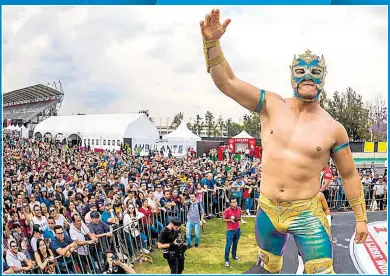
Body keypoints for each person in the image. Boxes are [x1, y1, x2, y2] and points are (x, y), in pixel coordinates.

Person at [199, 9, 368, 274]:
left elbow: (349, 175)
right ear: (292, 74)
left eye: (315, 72)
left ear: (323, 76)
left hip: (306, 213)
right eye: (301, 70)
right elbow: (228, 83)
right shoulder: (271, 105)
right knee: (268, 269)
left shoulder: (334, 129)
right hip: (267, 209)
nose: (308, 76)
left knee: (323, 271)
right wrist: (212, 43)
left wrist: (361, 219)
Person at [297, 192, 332, 274]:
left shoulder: (319, 195)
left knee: (322, 251)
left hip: (320, 226)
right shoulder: (298, 195)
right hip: (304, 227)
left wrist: (329, 226)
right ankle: (301, 267)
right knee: (302, 249)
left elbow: (326, 209)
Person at [223, 197, 242, 267]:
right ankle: (226, 260)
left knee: (235, 244)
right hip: (230, 230)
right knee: (228, 245)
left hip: (237, 229)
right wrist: (230, 220)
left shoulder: (239, 209)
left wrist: (241, 221)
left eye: (235, 201)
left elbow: (239, 217)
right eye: (233, 202)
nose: (235, 203)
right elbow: (224, 219)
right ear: (230, 203)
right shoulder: (227, 211)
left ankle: (234, 255)